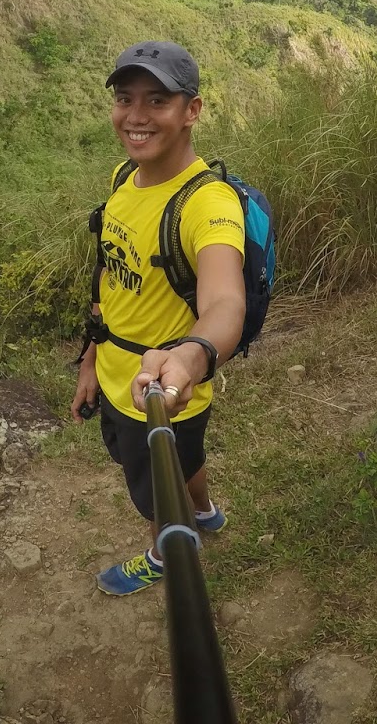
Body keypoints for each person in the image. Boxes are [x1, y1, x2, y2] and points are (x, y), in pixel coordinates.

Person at [72, 41, 247, 595]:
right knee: (184, 460)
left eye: (157, 100)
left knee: (153, 488)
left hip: (163, 391)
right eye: (125, 99)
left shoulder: (208, 204)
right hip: (116, 372)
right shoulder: (126, 176)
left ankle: (162, 550)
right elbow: (112, 274)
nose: (136, 116)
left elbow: (225, 302)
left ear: (191, 110)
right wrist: (91, 359)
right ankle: (205, 510)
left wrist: (191, 357)